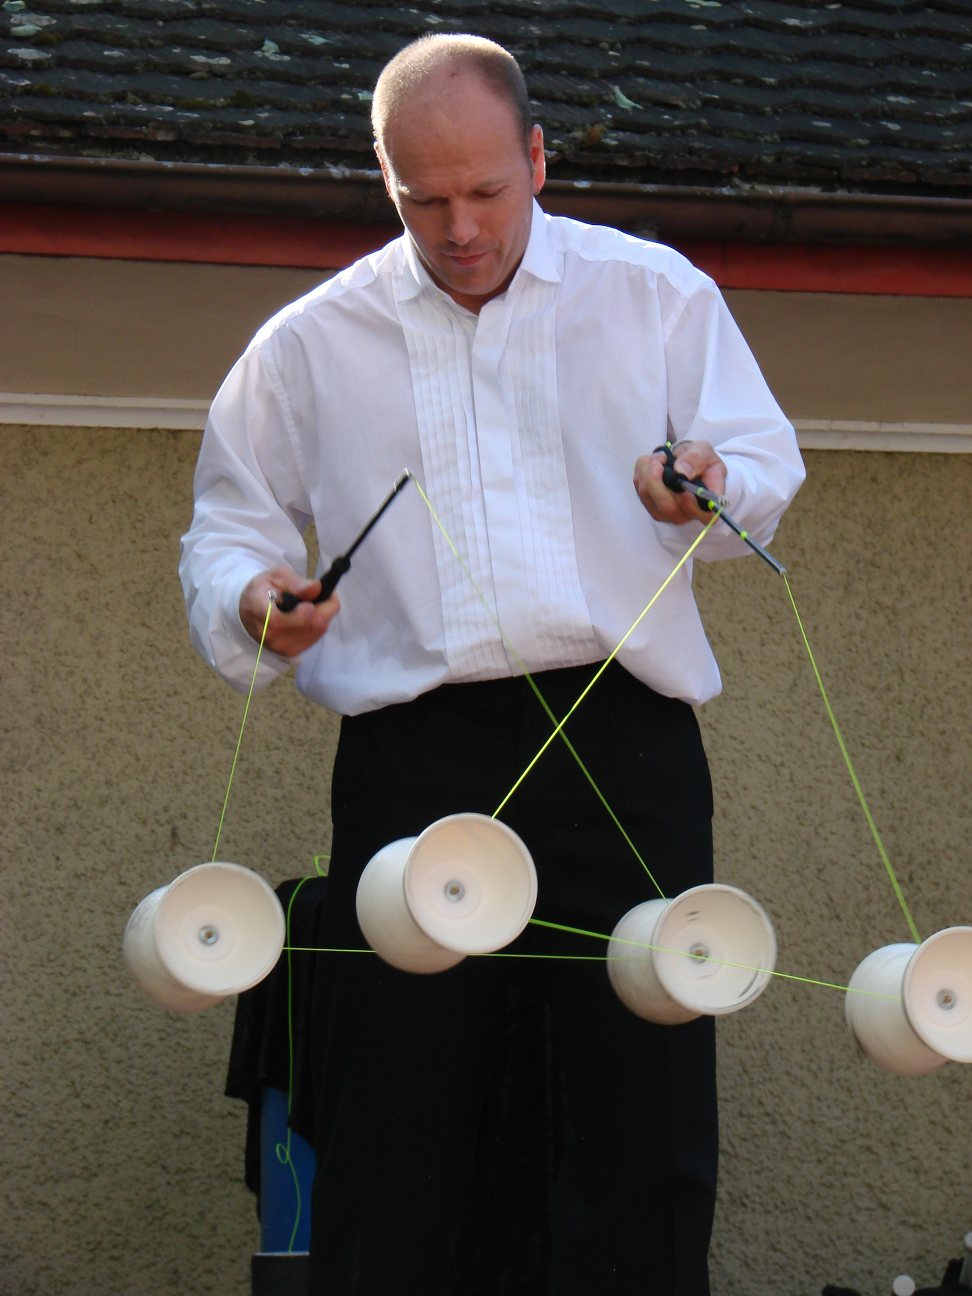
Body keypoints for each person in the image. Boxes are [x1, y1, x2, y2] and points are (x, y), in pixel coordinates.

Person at [180, 32, 804, 1296]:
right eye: (424, 200)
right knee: (397, 1128)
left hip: (625, 746)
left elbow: (762, 460)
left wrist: (709, 485)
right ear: (386, 185)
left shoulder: (656, 294)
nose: (459, 228)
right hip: (413, 759)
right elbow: (228, 529)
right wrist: (259, 602)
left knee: (644, 1124)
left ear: (535, 158)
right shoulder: (310, 340)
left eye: (485, 192)